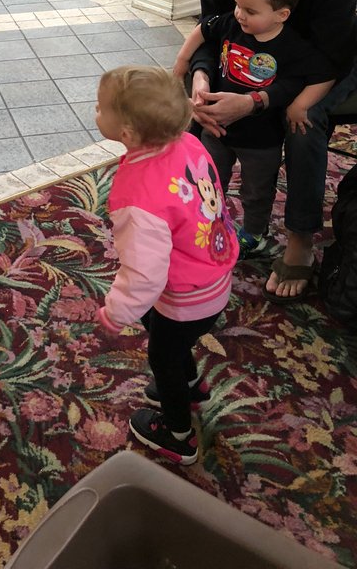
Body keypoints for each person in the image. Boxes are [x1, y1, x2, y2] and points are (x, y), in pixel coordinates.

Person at [190, 0, 357, 302]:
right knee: (197, 118)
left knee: (304, 124)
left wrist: (257, 101)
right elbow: (212, 29)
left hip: (319, 70)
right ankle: (193, 218)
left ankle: (301, 239)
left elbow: (330, 58)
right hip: (250, 59)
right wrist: (202, 78)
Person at [94, 66, 239, 465]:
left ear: (126, 134)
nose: (95, 110)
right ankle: (192, 384)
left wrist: (117, 311)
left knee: (163, 356)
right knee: (171, 341)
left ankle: (177, 433)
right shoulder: (189, 143)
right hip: (213, 271)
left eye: (100, 107)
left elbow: (144, 271)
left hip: (186, 296)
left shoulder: (139, 197)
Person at [174, 0, 334, 267]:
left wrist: (301, 105)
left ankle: (253, 233)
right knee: (207, 178)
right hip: (216, 128)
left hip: (261, 140)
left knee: (257, 190)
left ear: (281, 15)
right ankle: (206, 221)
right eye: (237, 4)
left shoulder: (292, 46)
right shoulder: (232, 24)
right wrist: (183, 61)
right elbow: (204, 29)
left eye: (250, 10)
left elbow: (323, 74)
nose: (239, 14)